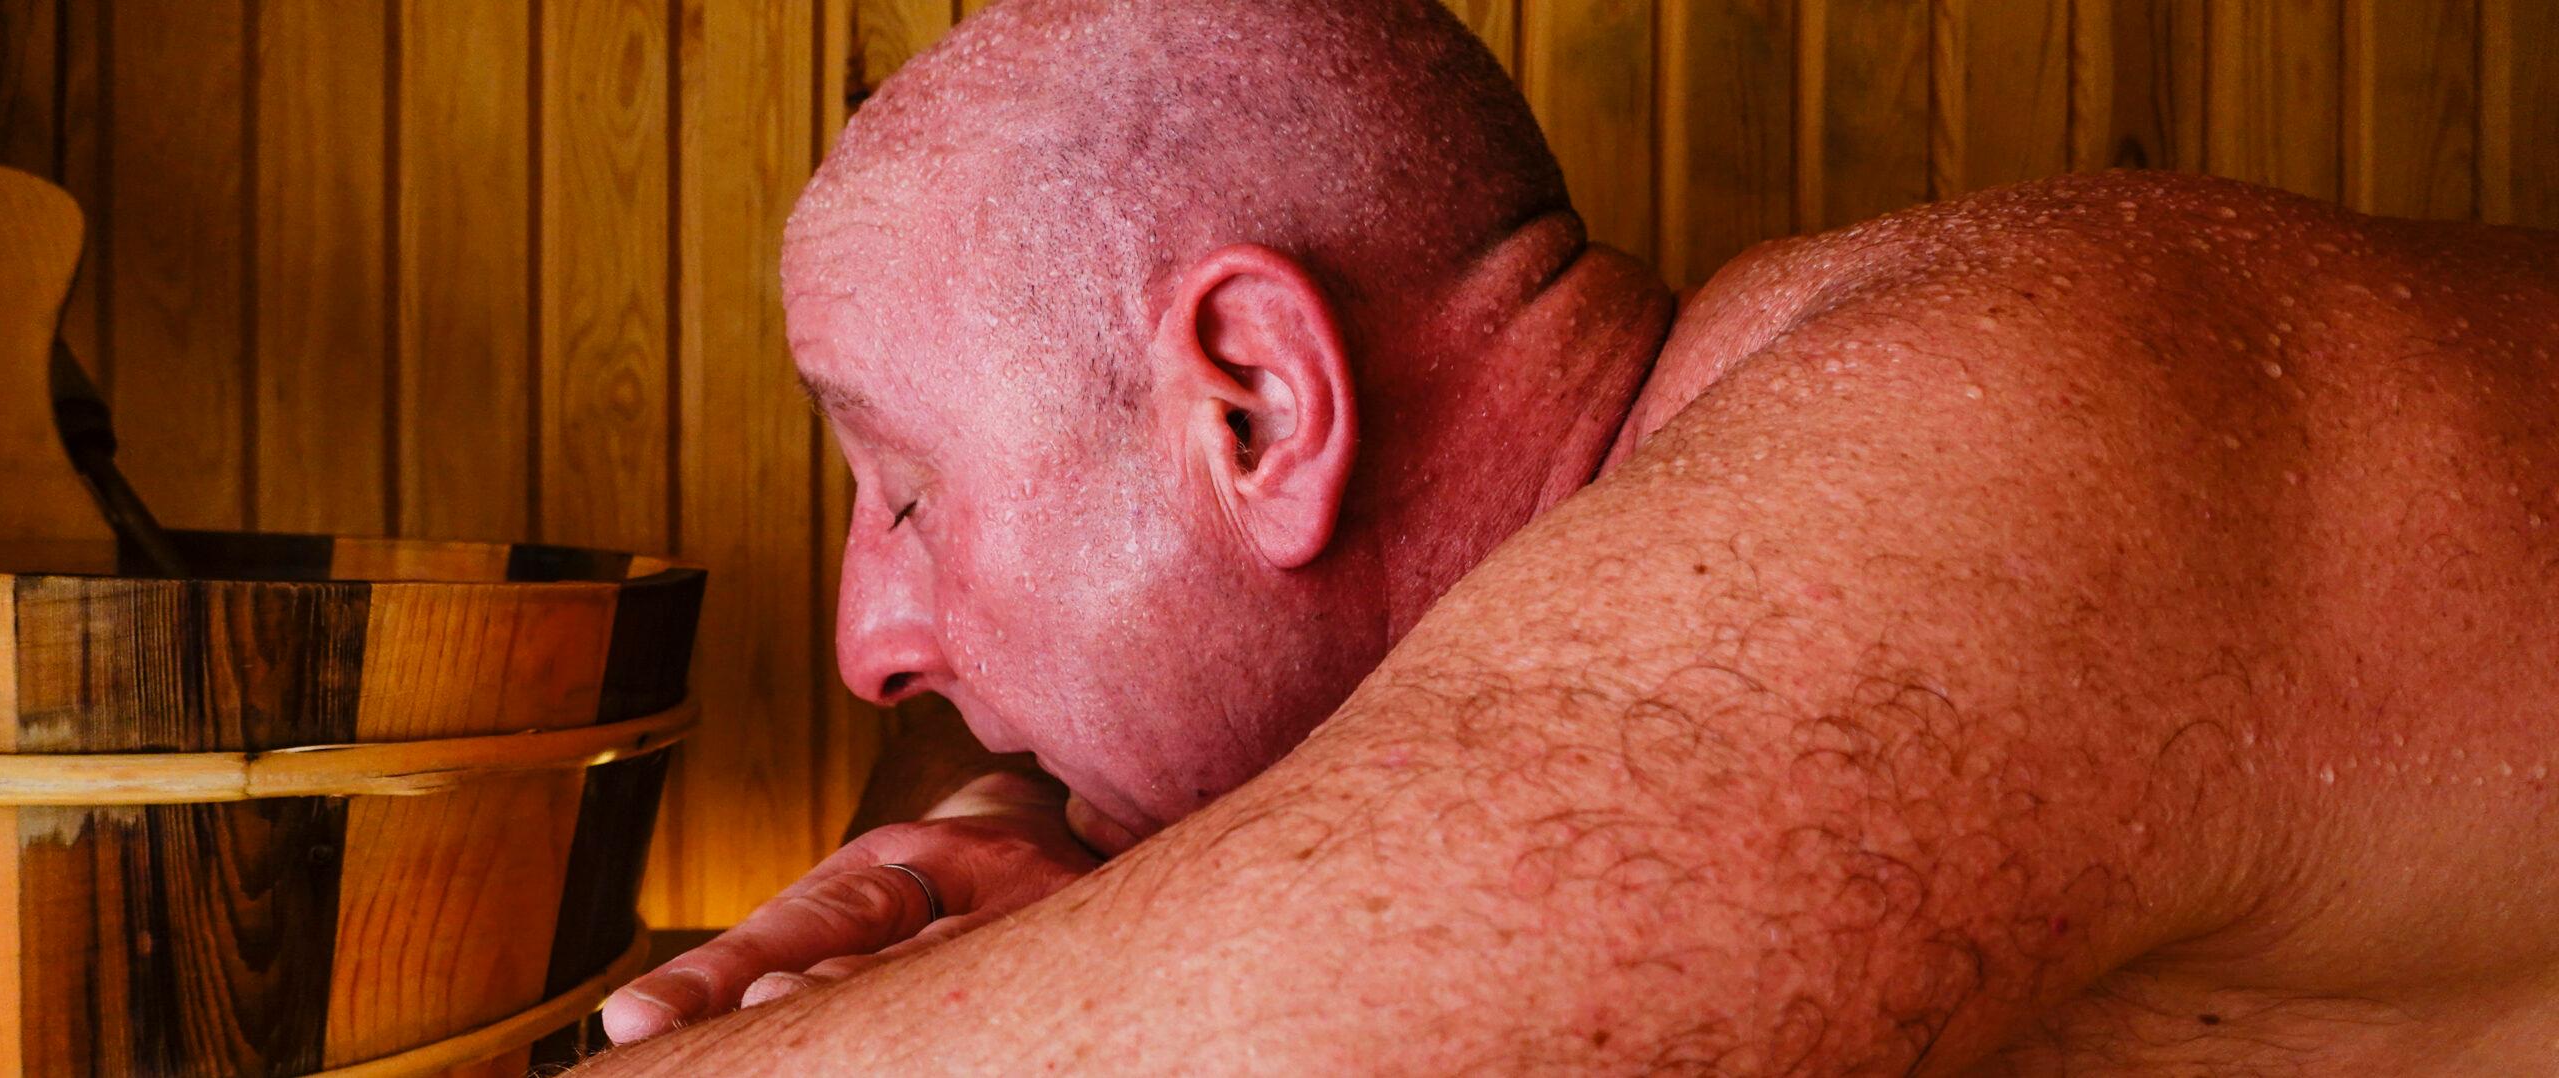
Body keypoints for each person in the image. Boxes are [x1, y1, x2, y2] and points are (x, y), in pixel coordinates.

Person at [589, 0, 2559, 1071]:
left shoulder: (1940, 470)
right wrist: (1004, 827)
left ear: (1257, 404)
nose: (869, 637)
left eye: (909, 493)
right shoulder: (1755, 470)